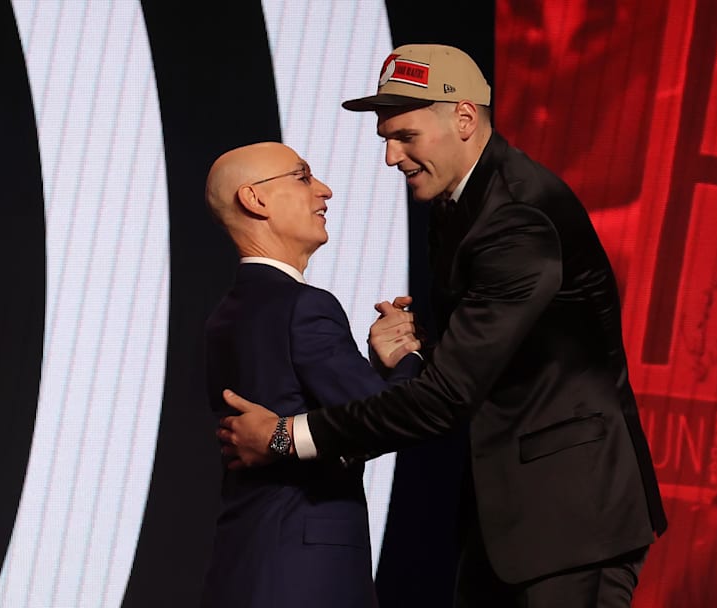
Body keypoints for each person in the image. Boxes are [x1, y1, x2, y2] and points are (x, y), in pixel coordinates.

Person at [217, 45, 667, 607]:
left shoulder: (516, 220)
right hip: (510, 518)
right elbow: (489, 358)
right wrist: (413, 354)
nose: (390, 157)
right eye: (385, 138)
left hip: (572, 520)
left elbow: (448, 397)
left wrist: (287, 436)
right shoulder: (460, 205)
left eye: (405, 136)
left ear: (463, 118)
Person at [201, 142, 422, 607]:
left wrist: (377, 366)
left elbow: (337, 416)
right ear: (254, 199)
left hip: (246, 563)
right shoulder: (304, 306)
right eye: (302, 178)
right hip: (307, 575)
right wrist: (407, 359)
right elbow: (386, 421)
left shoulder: (229, 314)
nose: (324, 191)